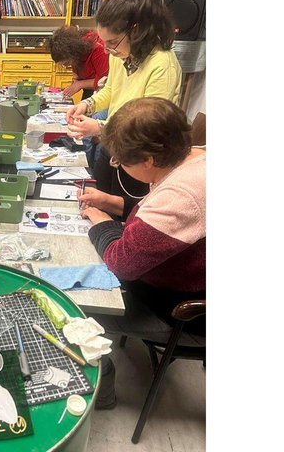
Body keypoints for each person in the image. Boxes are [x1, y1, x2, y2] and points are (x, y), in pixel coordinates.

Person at [78, 97, 205, 409]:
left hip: (180, 312)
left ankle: (102, 392)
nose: (118, 166)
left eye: (121, 162)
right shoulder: (193, 158)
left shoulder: (182, 194)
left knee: (69, 305)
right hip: (179, 279)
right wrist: (112, 202)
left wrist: (99, 220)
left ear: (148, 160)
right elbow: (154, 221)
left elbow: (123, 262)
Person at [66, 0, 182, 222]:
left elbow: (148, 128)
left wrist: (99, 128)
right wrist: (88, 105)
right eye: (103, 43)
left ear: (137, 31)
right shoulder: (122, 55)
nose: (107, 50)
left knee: (125, 221)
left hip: (137, 159)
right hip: (113, 147)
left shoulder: (162, 64)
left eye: (112, 43)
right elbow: (110, 90)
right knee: (94, 208)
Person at [49, 25, 110, 99]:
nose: (67, 66)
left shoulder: (98, 50)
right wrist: (76, 78)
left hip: (103, 93)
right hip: (90, 90)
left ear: (72, 53)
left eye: (67, 64)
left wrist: (80, 84)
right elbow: (78, 68)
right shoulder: (76, 48)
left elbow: (105, 81)